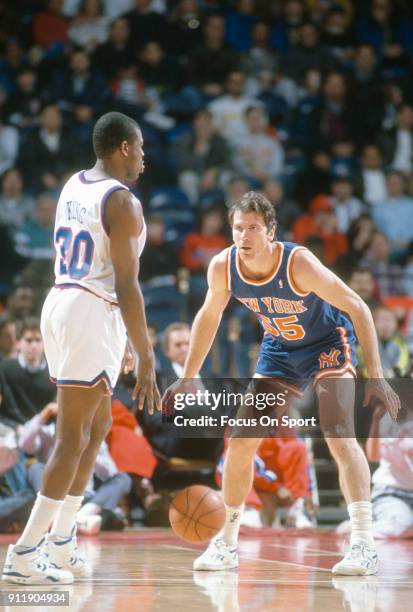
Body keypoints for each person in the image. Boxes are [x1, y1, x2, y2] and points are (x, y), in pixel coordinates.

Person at [165, 191, 400, 575]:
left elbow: (357, 306)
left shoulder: (298, 263)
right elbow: (208, 318)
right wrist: (188, 376)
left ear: (271, 230)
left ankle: (363, 543)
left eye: (253, 228)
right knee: (240, 443)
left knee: (338, 433)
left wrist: (376, 374)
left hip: (328, 343)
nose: (243, 236)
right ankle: (226, 542)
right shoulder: (223, 267)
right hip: (280, 350)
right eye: (238, 228)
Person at [2, 111, 160, 585]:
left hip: (74, 304)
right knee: (73, 436)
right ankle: (27, 551)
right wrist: (146, 352)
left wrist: (119, 335)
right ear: (124, 148)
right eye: (142, 149)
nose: (146, 159)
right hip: (89, 308)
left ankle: (64, 538)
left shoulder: (75, 183)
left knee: (98, 426)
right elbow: (128, 286)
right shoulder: (122, 202)